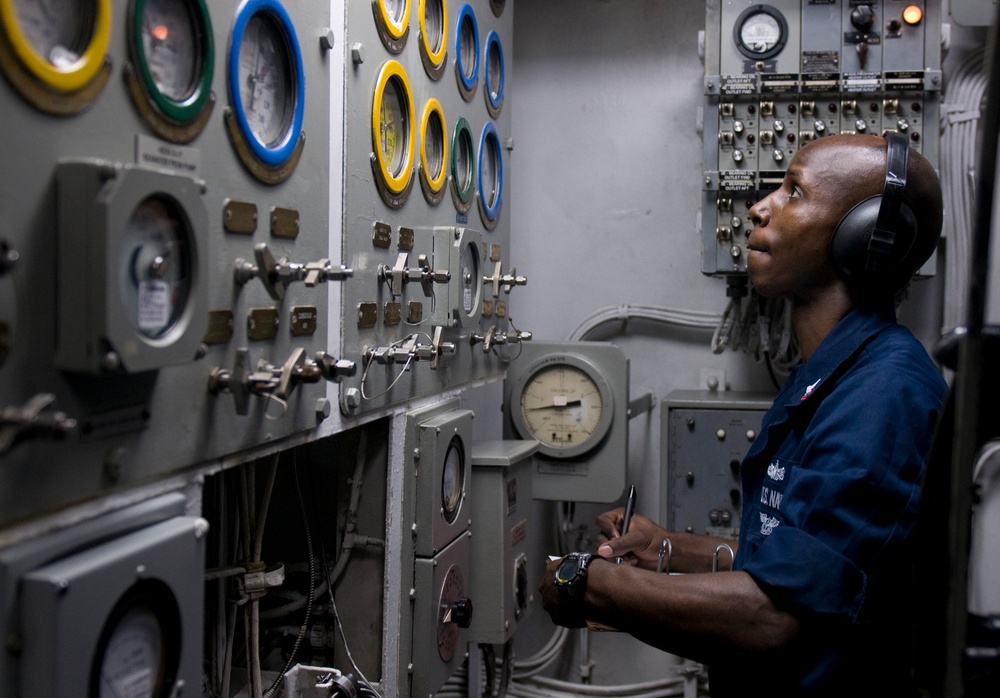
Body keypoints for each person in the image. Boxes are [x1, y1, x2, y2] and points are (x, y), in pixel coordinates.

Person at [538, 132, 949, 696]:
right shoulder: (837, 372)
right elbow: (797, 555)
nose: (760, 206)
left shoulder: (884, 395)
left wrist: (588, 585)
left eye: (794, 192)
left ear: (867, 239)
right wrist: (667, 549)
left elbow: (775, 615)